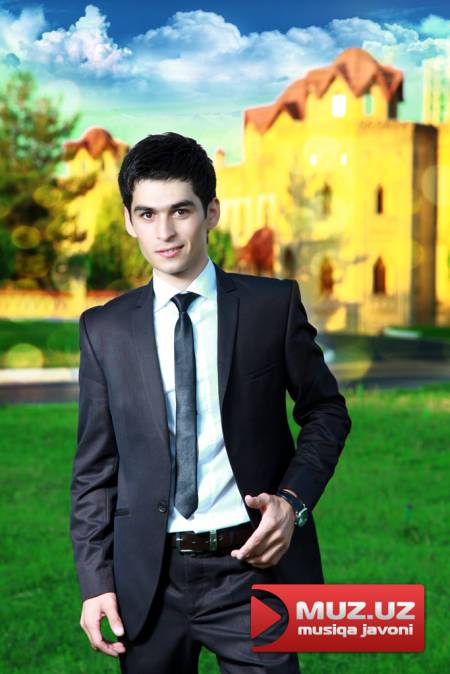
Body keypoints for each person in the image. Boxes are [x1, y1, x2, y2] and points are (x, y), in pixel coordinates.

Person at [70, 131, 352, 674]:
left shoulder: (272, 307)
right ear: (129, 220)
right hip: (149, 577)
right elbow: (94, 470)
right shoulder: (104, 330)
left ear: (211, 212)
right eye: (147, 214)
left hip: (253, 568)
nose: (165, 232)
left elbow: (326, 411)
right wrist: (96, 581)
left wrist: (291, 503)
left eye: (181, 211)